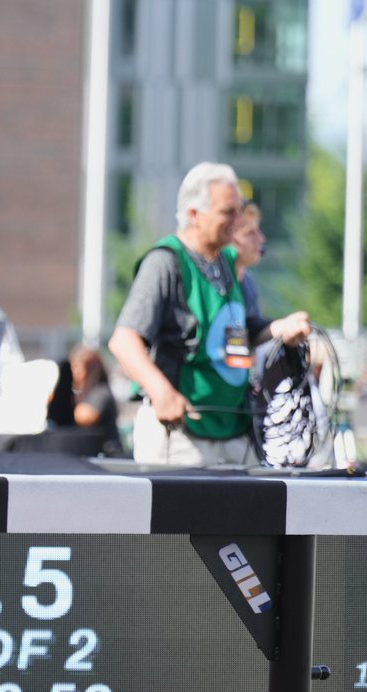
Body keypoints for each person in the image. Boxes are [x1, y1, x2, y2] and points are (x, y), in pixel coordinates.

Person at [107, 162, 310, 466]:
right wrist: (161, 392)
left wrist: (281, 328)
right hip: (180, 435)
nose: (237, 220)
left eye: (238, 210)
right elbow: (123, 341)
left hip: (235, 432)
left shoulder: (227, 262)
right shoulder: (165, 262)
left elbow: (240, 329)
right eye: (228, 212)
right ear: (194, 214)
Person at [230, 200, 266, 319]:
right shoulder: (213, 283)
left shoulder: (246, 279)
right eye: (250, 233)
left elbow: (253, 325)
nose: (260, 239)